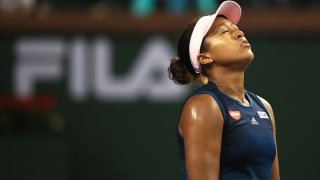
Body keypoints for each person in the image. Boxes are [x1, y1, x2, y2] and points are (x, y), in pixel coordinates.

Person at [168, 1, 280, 180]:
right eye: (224, 31)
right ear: (204, 57)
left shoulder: (264, 107)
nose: (239, 32)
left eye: (236, 28)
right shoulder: (204, 107)